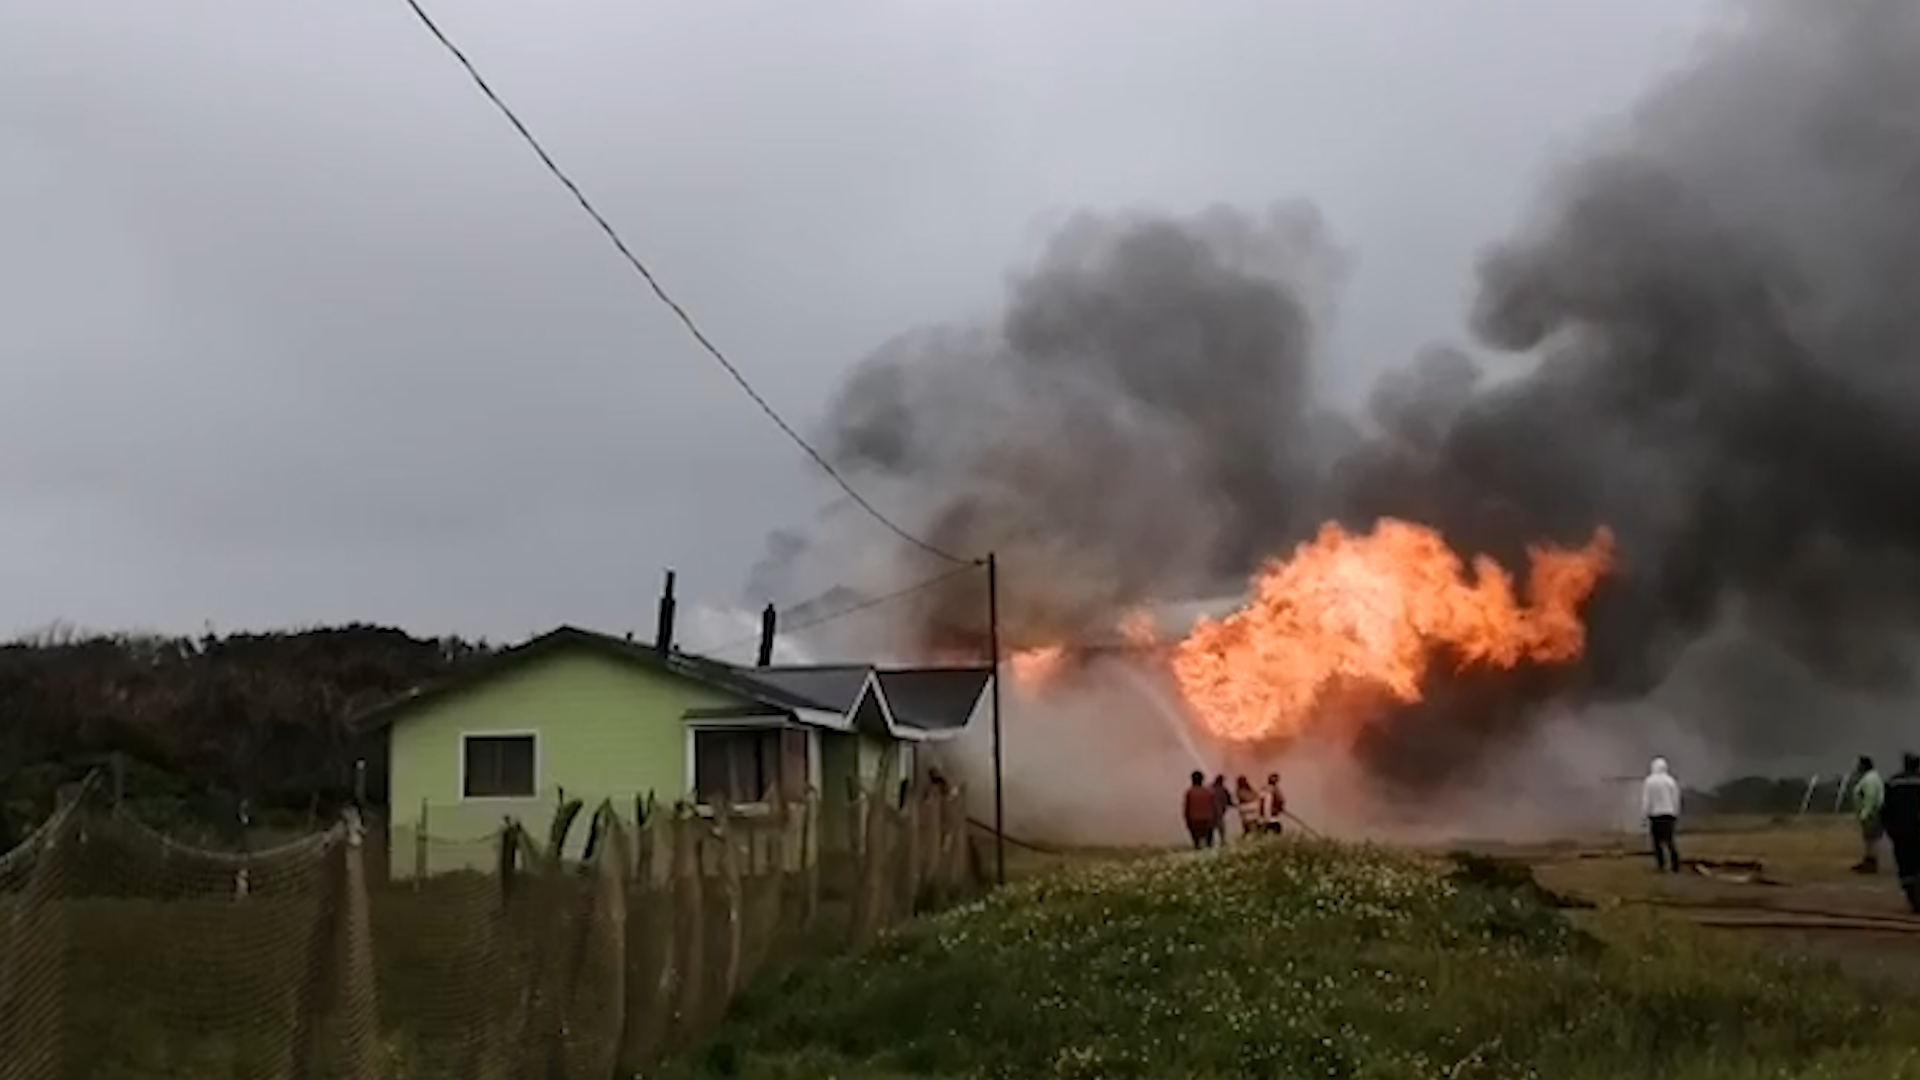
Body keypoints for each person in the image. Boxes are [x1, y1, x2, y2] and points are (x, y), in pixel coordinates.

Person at [1879, 753, 1920, 913]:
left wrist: (1887, 828)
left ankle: (1913, 900)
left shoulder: (1893, 782)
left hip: (1900, 831)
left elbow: (1885, 809)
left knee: (1905, 866)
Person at [1642, 757, 1682, 873]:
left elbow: (1647, 800)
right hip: (1669, 814)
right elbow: (1676, 798)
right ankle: (1675, 864)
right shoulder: (1671, 781)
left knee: (1656, 841)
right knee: (1670, 840)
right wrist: (1676, 812)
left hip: (1655, 815)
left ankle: (1661, 865)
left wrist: (1644, 815)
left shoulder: (1649, 781)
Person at [1852, 756, 1886, 874]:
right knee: (1869, 839)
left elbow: (1870, 797)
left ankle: (1871, 864)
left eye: (1859, 765)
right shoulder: (1870, 778)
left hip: (1872, 814)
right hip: (1873, 813)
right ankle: (1868, 861)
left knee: (1871, 839)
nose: (1857, 767)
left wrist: (1865, 813)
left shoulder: (1870, 779)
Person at [1182, 771, 1216, 850]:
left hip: (1194, 819)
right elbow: (1213, 806)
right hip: (1208, 818)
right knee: (1209, 842)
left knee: (1197, 841)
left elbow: (1187, 808)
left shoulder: (1189, 792)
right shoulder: (1208, 791)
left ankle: (1199, 851)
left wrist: (1187, 820)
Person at [1208, 775, 1234, 845]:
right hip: (1219, 812)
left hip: (1211, 812)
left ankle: (1210, 842)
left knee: (1211, 828)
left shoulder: (1210, 788)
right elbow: (1229, 800)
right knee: (1220, 827)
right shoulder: (1223, 789)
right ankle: (1222, 841)